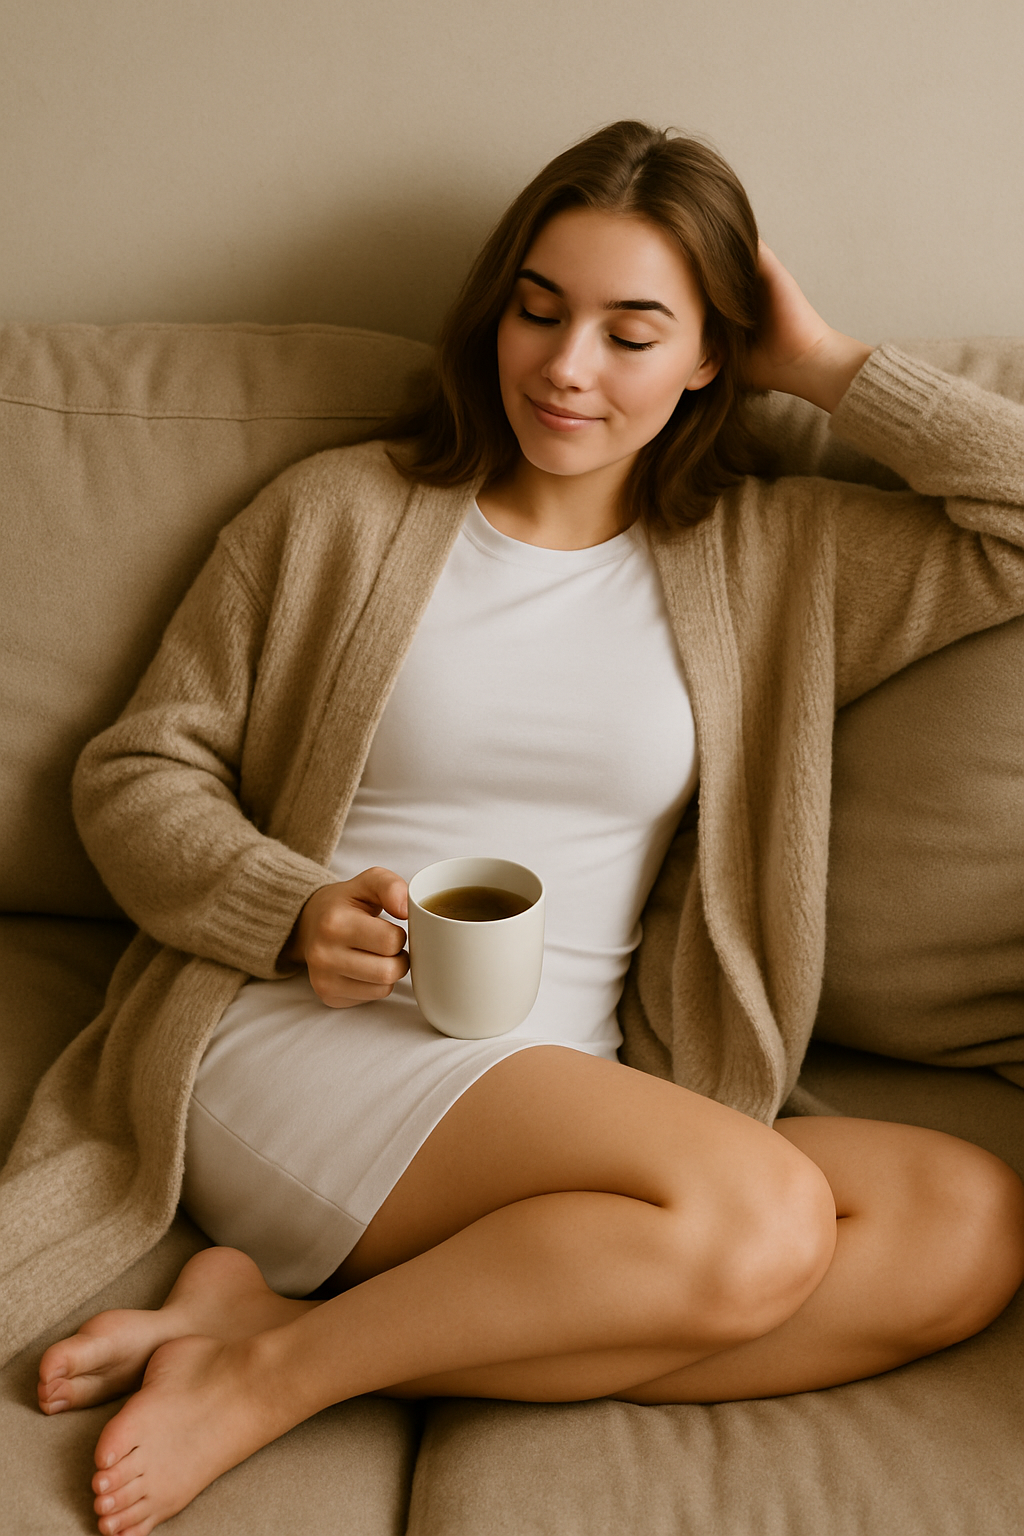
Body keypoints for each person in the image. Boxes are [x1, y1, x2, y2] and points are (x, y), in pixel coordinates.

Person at [26, 119, 1024, 1536]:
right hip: (316, 1038)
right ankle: (269, 1382)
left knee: (965, 1225)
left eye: (634, 333)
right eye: (540, 311)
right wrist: (287, 908)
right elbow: (138, 771)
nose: (565, 367)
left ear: (709, 357)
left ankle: (291, 1330)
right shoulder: (341, 514)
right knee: (759, 1223)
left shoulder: (775, 557)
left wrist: (821, 364)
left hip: (572, 1092)